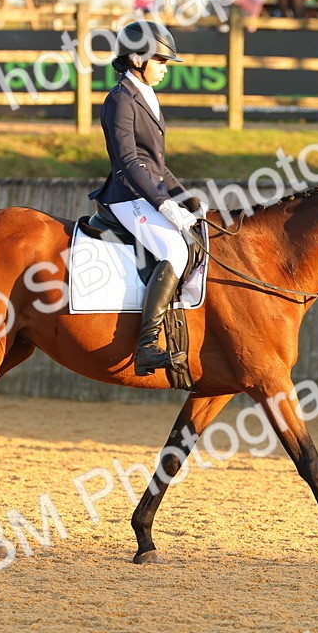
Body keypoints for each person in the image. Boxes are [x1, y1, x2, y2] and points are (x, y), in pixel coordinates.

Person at [89, 21, 200, 376]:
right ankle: (147, 346)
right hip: (127, 196)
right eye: (162, 62)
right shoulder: (120, 99)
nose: (165, 68)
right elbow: (129, 162)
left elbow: (155, 163)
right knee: (174, 250)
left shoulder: (145, 95)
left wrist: (188, 199)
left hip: (146, 193)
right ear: (137, 57)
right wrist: (163, 202)